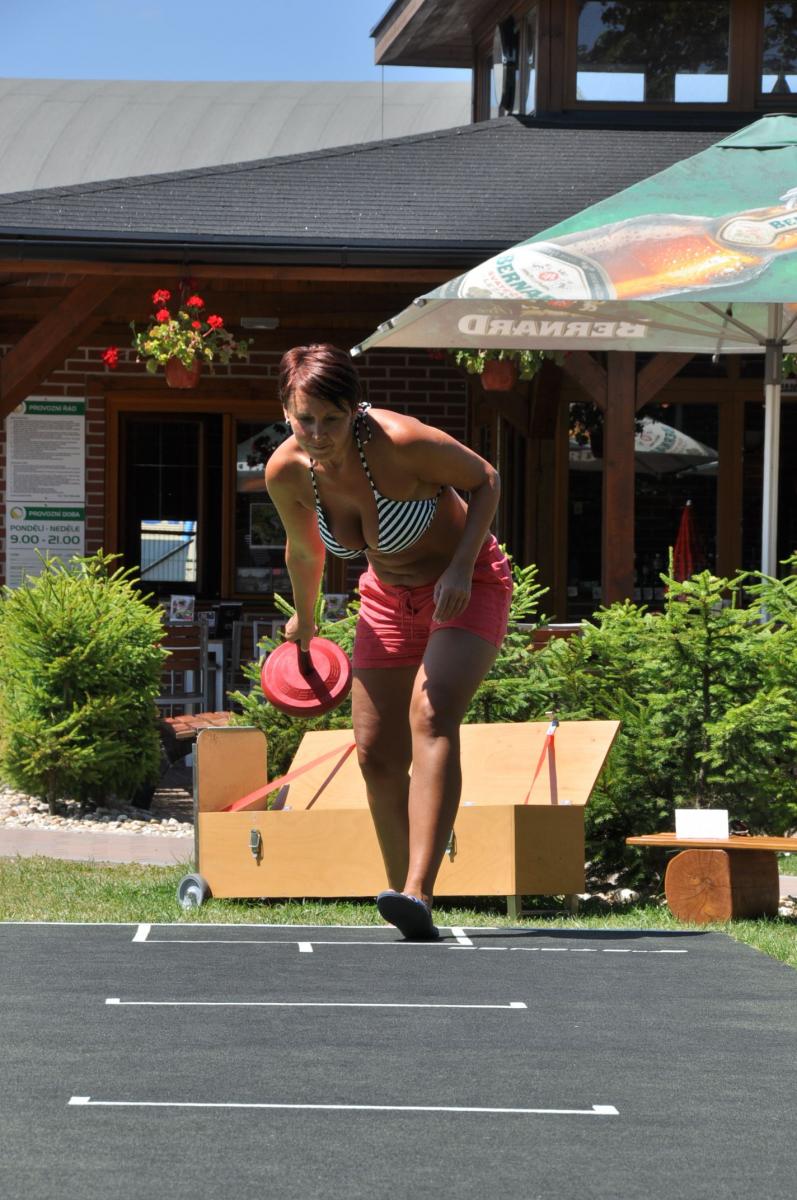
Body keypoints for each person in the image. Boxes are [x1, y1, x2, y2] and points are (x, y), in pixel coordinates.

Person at [266, 344, 512, 939]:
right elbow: (306, 551)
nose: (319, 434)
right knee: (375, 752)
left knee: (431, 714)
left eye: (332, 418)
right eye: (306, 420)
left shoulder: (403, 443)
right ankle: (408, 907)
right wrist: (306, 621)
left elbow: (486, 481)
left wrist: (459, 566)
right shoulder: (287, 472)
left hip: (465, 585)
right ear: (286, 412)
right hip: (384, 599)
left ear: (355, 409)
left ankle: (418, 891)